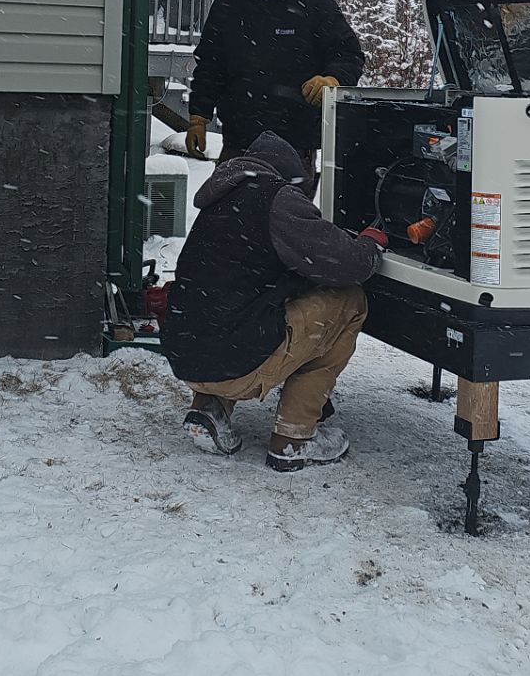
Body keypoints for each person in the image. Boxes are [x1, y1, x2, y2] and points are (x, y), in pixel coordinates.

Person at [161, 130, 389, 471]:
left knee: (228, 311)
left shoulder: (221, 197)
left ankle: (208, 409)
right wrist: (371, 244)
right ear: (288, 175)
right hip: (233, 363)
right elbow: (346, 264)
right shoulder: (276, 197)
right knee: (349, 301)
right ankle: (294, 439)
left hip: (187, 356)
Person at [184, 0, 364, 165]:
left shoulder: (314, 4)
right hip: (240, 140)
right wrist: (198, 115)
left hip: (296, 142)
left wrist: (333, 78)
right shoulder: (228, 7)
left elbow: (348, 53)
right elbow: (210, 67)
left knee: (288, 204)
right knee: (228, 202)